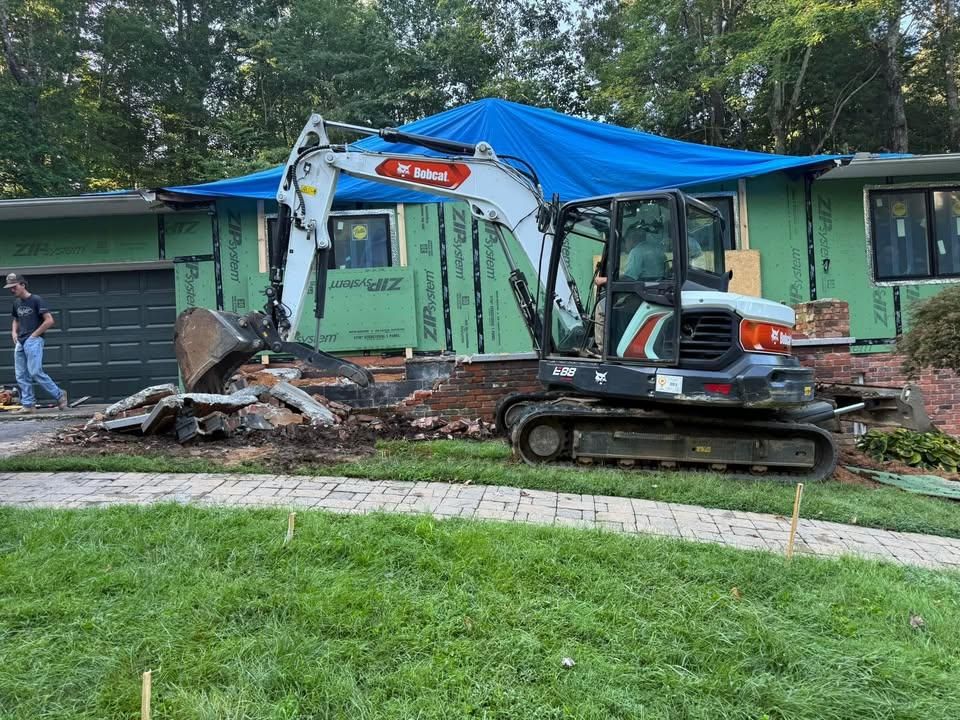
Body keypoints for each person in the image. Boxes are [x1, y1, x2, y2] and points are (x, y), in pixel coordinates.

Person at [6, 273, 67, 413]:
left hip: (33, 341)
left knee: (35, 372)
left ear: (23, 285)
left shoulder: (36, 300)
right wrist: (14, 332)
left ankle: (59, 394)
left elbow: (49, 320)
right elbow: (16, 319)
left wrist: (34, 335)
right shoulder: (16, 303)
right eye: (10, 288)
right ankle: (28, 405)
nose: (12, 290)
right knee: (21, 375)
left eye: (14, 287)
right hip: (21, 341)